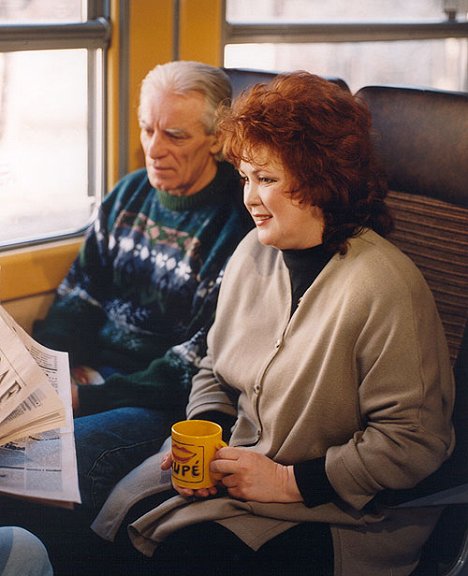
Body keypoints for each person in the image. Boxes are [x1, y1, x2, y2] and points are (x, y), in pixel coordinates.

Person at [91, 71, 455, 576]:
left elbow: (414, 441)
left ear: (321, 181)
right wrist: (210, 431)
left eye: (268, 180)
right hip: (244, 471)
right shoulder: (251, 254)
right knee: (116, 525)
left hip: (343, 508)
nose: (249, 198)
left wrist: (289, 481)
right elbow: (214, 368)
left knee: (182, 555)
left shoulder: (383, 284)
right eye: (245, 177)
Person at [30, 60, 252, 511]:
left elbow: (193, 366)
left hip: (157, 402)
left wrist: (87, 399)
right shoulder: (127, 196)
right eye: (147, 129)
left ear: (216, 139)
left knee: (58, 459)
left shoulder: (238, 226)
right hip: (89, 377)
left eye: (175, 135)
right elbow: (78, 300)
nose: (154, 148)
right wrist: (44, 374)